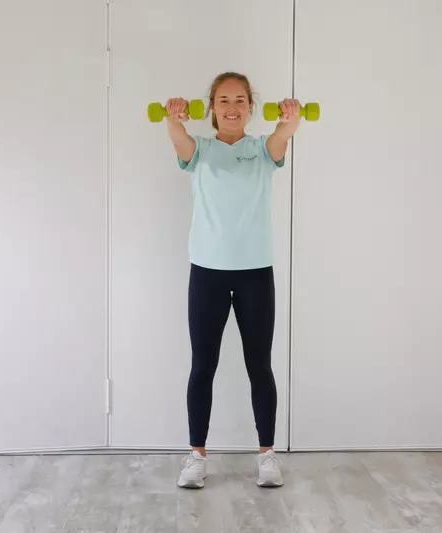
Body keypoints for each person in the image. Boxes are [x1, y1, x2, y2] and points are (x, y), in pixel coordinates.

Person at [163, 72, 301, 489]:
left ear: (250, 107)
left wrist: (289, 121)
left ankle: (267, 456)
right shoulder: (200, 151)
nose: (232, 107)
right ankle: (196, 456)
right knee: (202, 364)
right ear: (212, 108)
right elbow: (178, 137)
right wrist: (173, 116)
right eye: (224, 100)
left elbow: (283, 137)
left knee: (259, 364)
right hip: (206, 271)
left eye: (240, 100)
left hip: (255, 272)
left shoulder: (262, 150)